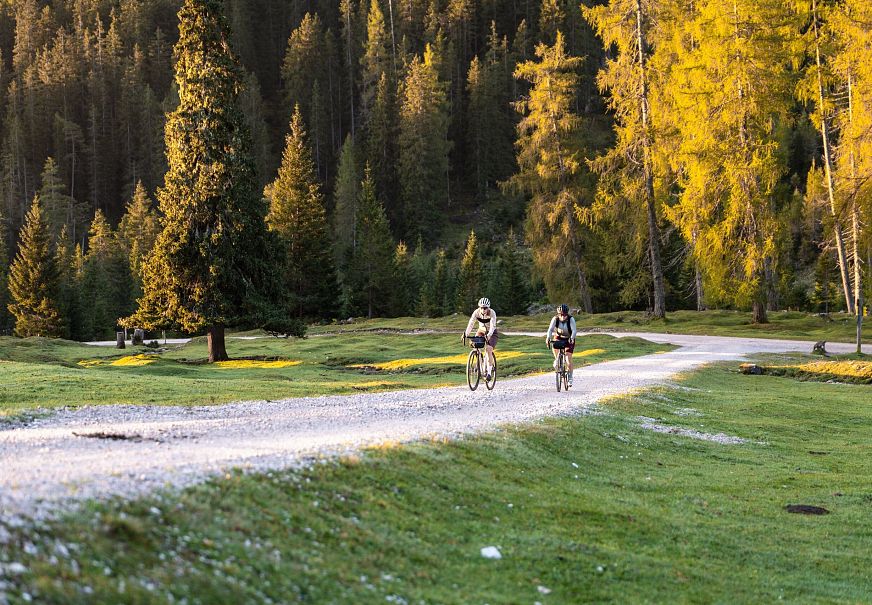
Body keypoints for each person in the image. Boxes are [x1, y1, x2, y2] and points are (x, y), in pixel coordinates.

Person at [462, 297, 498, 379]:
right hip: (481, 331)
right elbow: (471, 323)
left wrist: (489, 335)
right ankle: (480, 362)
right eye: (481, 307)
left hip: (492, 333)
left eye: (485, 308)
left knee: (488, 349)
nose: (483, 309)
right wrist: (466, 334)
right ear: (479, 307)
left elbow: (492, 326)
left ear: (488, 308)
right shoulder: (476, 312)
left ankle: (489, 373)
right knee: (475, 346)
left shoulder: (492, 313)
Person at [546, 303, 577, 387]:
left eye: (565, 315)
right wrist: (548, 338)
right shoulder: (555, 319)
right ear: (558, 314)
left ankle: (570, 377)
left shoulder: (571, 319)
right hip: (559, 336)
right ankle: (556, 360)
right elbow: (550, 329)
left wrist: (572, 338)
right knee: (554, 345)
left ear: (567, 314)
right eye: (561, 315)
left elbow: (574, 331)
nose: (563, 317)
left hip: (569, 338)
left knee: (568, 358)